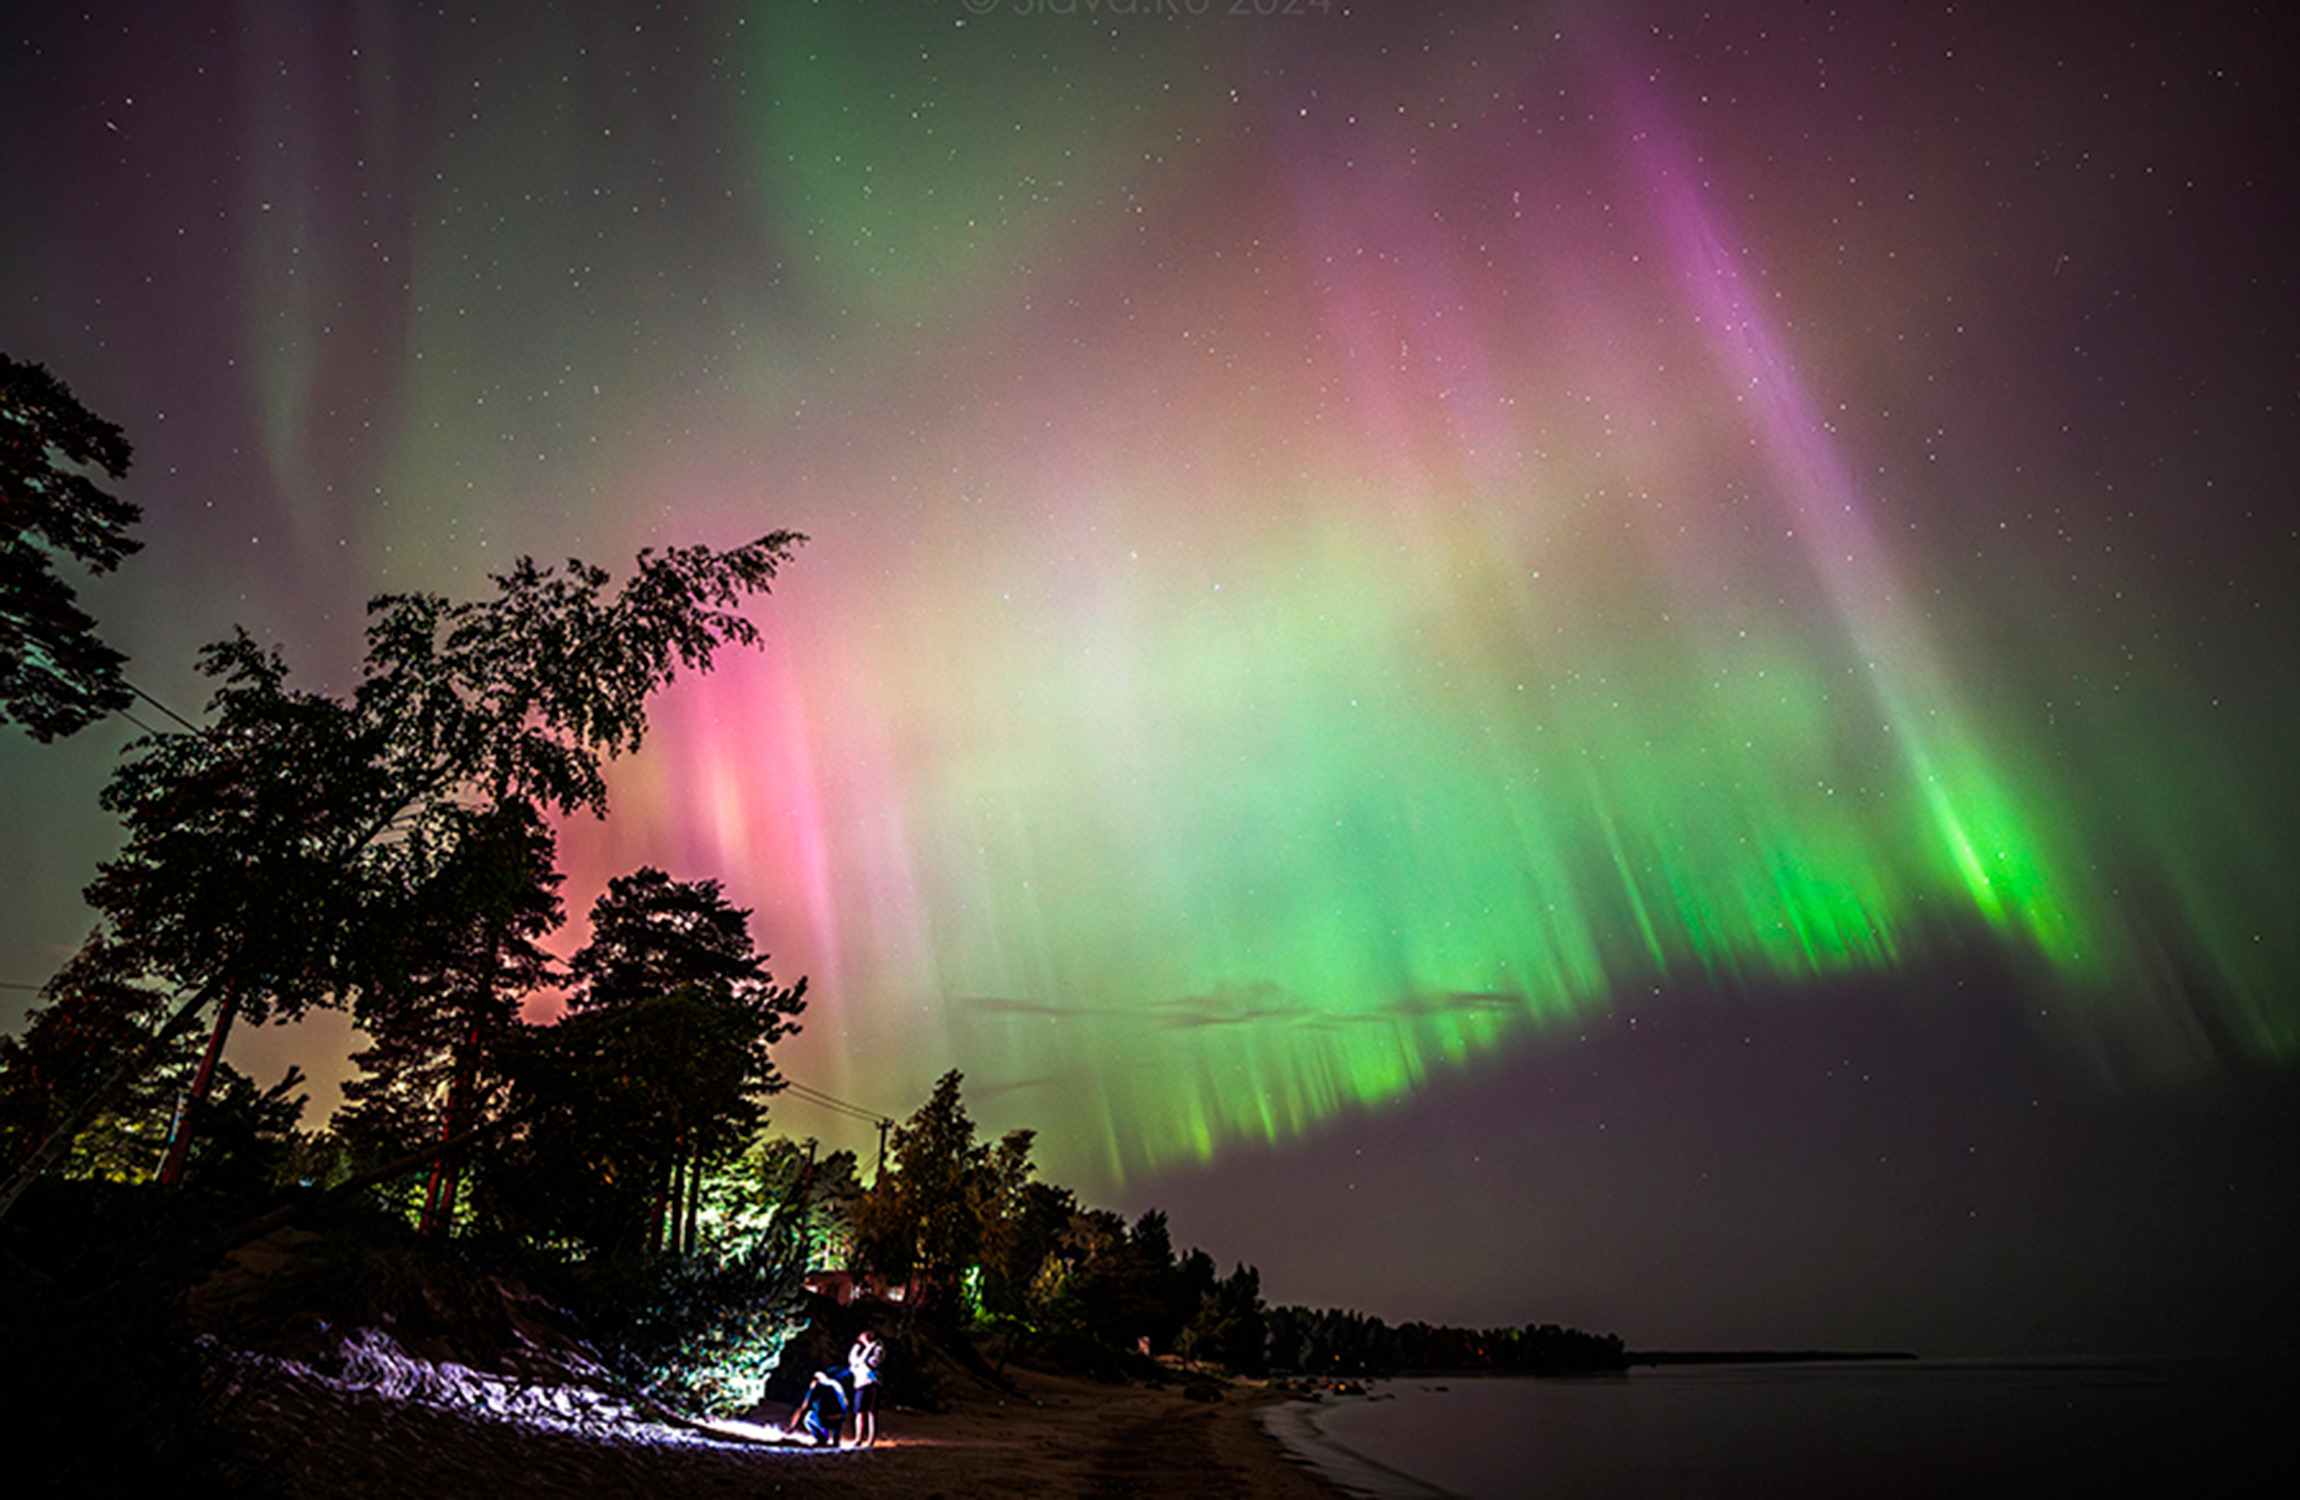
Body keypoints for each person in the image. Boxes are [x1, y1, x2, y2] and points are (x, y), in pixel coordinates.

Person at [847, 1329, 884, 1448]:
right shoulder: (859, 1349)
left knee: (871, 1412)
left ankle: (871, 1439)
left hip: (872, 1382)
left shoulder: (877, 1348)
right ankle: (858, 1437)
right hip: (859, 1383)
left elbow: (874, 1362)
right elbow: (853, 1362)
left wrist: (865, 1355)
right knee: (859, 1412)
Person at [796, 1367, 849, 1448]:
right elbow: (845, 1401)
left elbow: (805, 1405)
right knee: (835, 1413)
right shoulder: (835, 1384)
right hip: (840, 1417)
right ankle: (836, 1438)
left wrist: (795, 1424)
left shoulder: (816, 1387)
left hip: (825, 1418)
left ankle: (821, 1438)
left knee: (808, 1418)